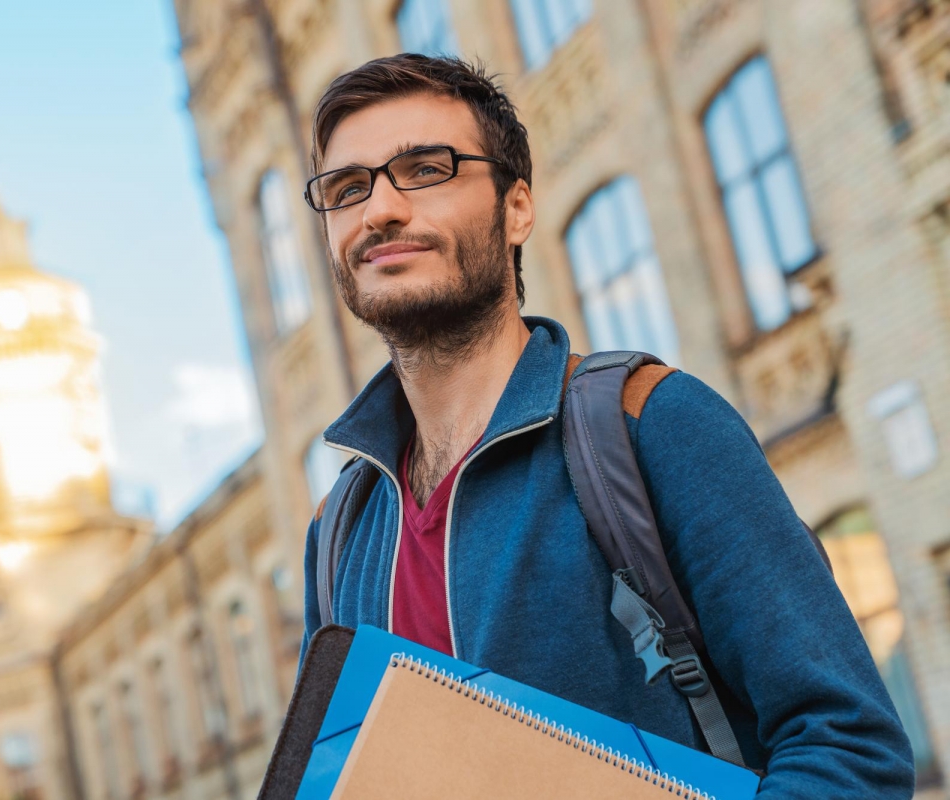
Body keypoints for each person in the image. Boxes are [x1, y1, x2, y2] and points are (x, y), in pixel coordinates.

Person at [297, 54, 915, 796]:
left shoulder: (650, 424)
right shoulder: (339, 534)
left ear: (516, 206)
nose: (380, 209)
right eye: (347, 188)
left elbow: (850, 750)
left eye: (425, 169)